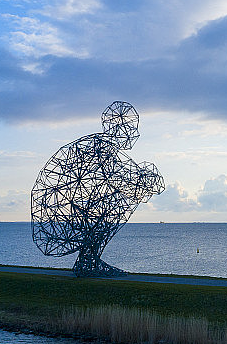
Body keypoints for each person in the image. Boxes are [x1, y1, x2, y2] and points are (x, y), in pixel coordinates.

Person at [31, 101, 164, 276]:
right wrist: (148, 178)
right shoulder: (100, 146)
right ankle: (89, 262)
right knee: (118, 201)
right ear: (118, 126)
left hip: (78, 213)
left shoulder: (100, 145)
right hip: (70, 220)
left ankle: (88, 261)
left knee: (120, 197)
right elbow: (120, 177)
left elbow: (122, 176)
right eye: (132, 128)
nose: (135, 134)